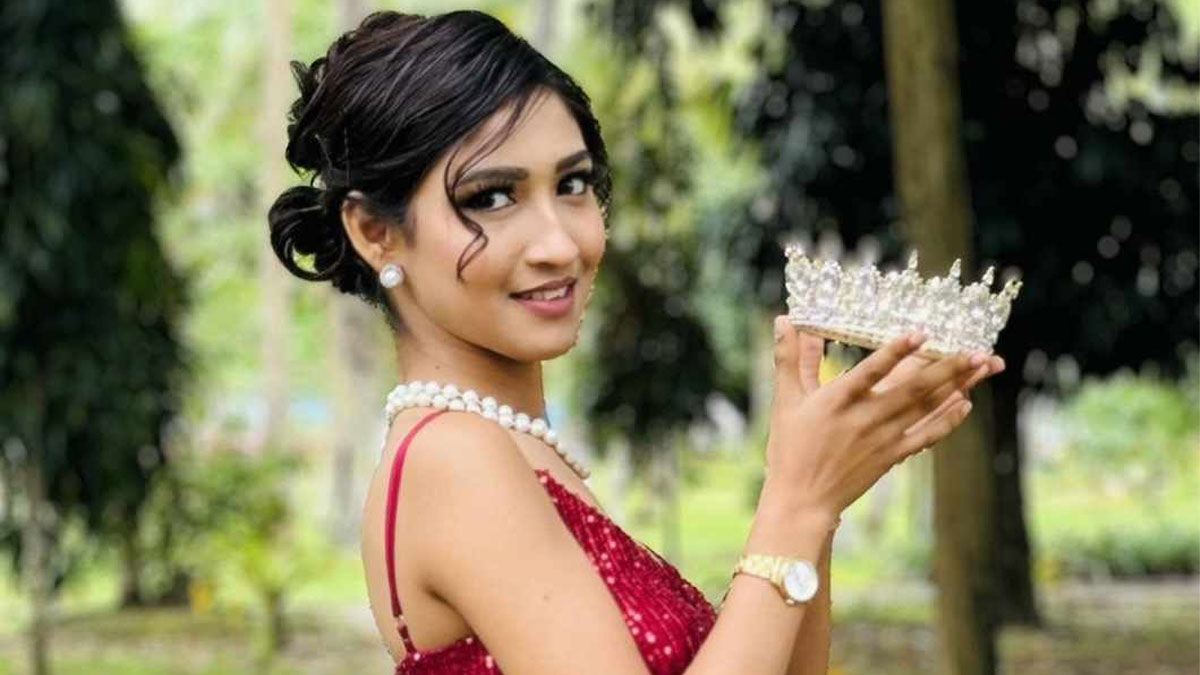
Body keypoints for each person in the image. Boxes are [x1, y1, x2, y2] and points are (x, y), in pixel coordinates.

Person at [267, 9, 1005, 675]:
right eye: (491, 197)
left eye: (573, 185)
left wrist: (814, 494)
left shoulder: (511, 449)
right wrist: (796, 502)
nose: (559, 244)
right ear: (375, 230)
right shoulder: (452, 457)